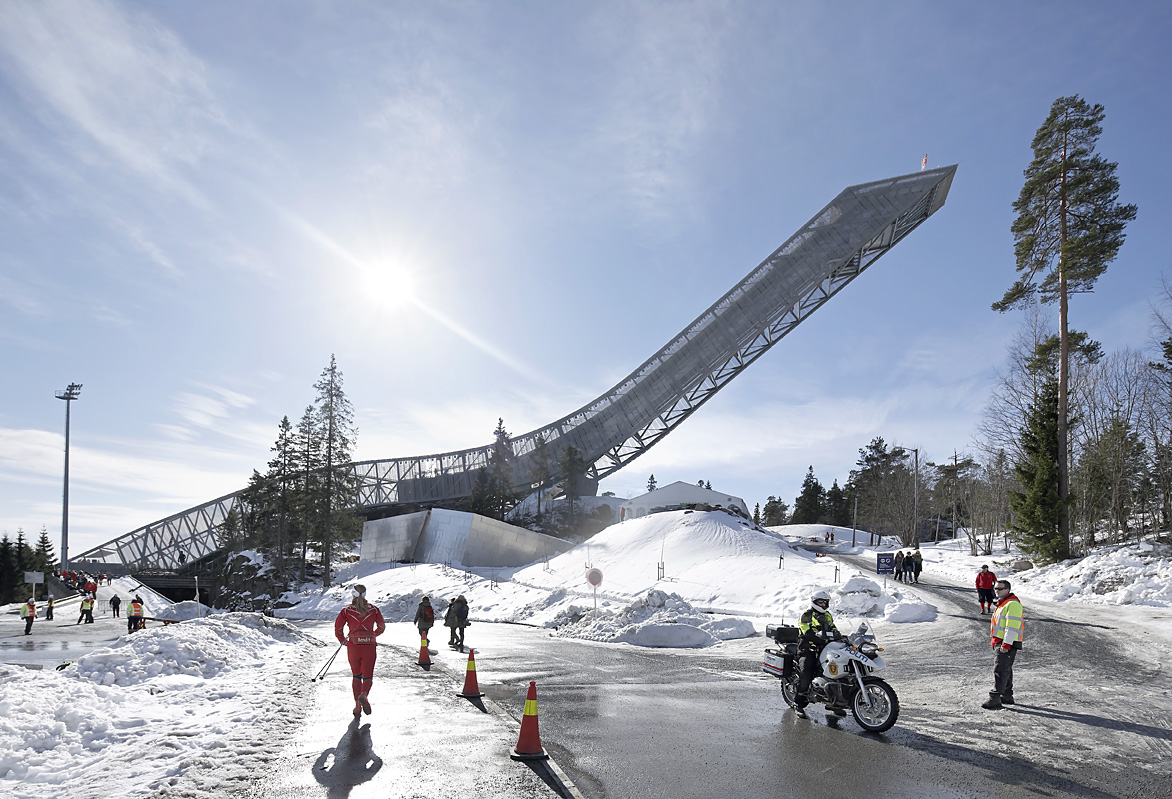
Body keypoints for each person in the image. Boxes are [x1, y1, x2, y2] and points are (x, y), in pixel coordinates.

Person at [334, 584, 386, 717]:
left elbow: (338, 629)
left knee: (356, 676)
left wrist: (343, 641)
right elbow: (381, 627)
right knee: (367, 676)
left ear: (352, 595)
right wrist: (372, 634)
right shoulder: (374, 609)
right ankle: (364, 695)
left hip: (353, 647)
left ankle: (357, 706)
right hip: (369, 647)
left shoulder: (346, 610)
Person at [794, 590, 841, 719]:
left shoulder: (827, 616)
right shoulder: (806, 615)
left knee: (835, 672)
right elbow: (807, 632)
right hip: (808, 649)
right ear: (814, 602)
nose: (824, 605)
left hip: (824, 648)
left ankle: (834, 703)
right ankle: (798, 703)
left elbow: (833, 628)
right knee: (806, 673)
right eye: (821, 602)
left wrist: (839, 636)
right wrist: (822, 639)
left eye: (826, 602)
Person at [982, 579, 1025, 710]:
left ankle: (994, 698)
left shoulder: (1012, 604)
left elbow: (1012, 626)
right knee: (1006, 668)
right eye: (995, 588)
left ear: (1007, 590)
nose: (997, 591)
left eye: (1000, 589)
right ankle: (1007, 695)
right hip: (1000, 641)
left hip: (1006, 642)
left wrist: (1006, 644)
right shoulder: (1003, 604)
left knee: (1000, 669)